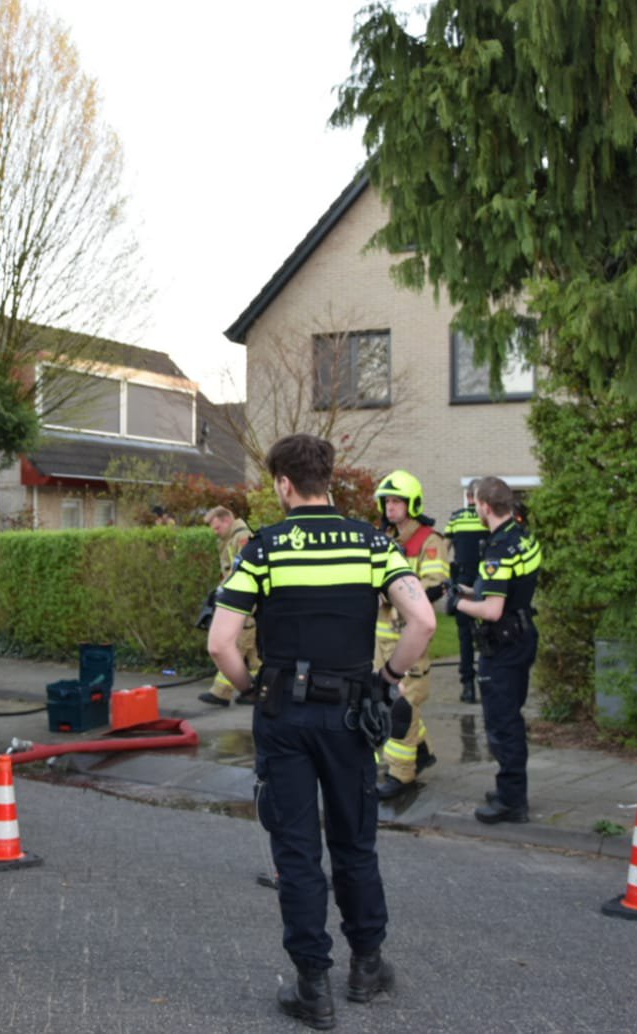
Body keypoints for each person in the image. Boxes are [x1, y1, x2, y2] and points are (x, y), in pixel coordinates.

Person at [208, 434, 435, 1030]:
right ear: (329, 479)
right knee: (355, 842)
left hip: (284, 717)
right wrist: (387, 677)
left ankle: (314, 987)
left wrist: (253, 687)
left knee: (297, 851)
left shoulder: (262, 548)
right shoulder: (371, 543)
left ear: (284, 484)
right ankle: (366, 967)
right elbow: (423, 620)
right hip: (351, 716)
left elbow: (221, 643)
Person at [447, 476, 543, 824]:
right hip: (522, 633)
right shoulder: (522, 537)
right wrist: (474, 590)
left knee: (503, 724)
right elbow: (510, 589)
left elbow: (492, 611)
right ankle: (510, 788)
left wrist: (458, 602)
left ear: (485, 506)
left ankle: (511, 801)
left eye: (475, 506)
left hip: (503, 644)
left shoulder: (498, 549)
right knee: (511, 717)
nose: (475, 511)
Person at [371, 470, 451, 799]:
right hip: (381, 638)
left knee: (402, 705)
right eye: (386, 501)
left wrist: (391, 596)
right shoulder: (384, 538)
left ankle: (402, 773)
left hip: (410, 639)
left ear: (412, 504)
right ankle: (420, 752)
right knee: (387, 701)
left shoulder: (429, 542)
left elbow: (434, 587)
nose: (390, 508)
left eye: (396, 502)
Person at [198, 505, 259, 707]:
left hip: (244, 606)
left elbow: (241, 570)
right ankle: (259, 690)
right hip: (246, 604)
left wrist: (224, 590)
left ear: (226, 521)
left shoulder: (241, 538)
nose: (216, 532)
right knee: (255, 654)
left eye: (217, 528)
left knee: (232, 647)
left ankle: (221, 692)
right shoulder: (232, 539)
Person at [443, 482, 490, 704]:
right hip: (487, 581)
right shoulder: (487, 518)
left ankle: (468, 687)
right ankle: (488, 681)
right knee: (489, 631)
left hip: (462, 581)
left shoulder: (456, 518)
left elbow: (444, 550)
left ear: (468, 496)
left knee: (465, 636)